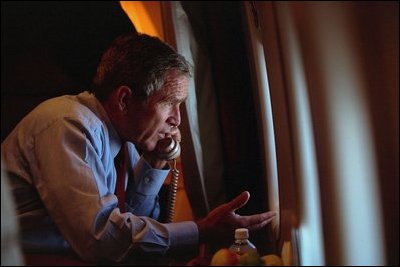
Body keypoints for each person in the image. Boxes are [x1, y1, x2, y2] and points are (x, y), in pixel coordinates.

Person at [1, 33, 276, 263]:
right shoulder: (68, 124)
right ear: (124, 100)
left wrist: (155, 162)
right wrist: (201, 230)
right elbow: (101, 240)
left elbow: (133, 224)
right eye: (170, 103)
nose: (176, 120)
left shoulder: (127, 140)